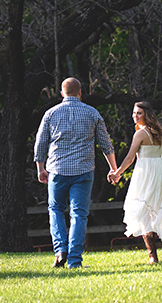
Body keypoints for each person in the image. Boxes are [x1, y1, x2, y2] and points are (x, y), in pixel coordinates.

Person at [34, 77, 118, 269]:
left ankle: (60, 250)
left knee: (55, 209)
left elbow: (40, 143)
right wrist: (114, 168)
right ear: (80, 92)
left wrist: (40, 167)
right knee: (79, 214)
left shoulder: (50, 114)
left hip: (57, 170)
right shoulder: (92, 113)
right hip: (83, 171)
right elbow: (106, 144)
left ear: (62, 93)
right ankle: (74, 261)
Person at [108, 101, 162, 264]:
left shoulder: (140, 133)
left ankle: (152, 256)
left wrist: (117, 173)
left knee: (143, 212)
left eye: (139, 113)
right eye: (134, 113)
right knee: (155, 211)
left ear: (147, 114)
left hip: (144, 174)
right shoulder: (158, 132)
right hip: (158, 173)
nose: (135, 116)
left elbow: (130, 157)